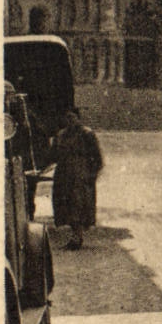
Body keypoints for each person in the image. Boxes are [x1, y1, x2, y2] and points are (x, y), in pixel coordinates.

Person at [52, 105, 104, 250]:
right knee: (66, 206)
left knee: (78, 205)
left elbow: (97, 158)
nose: (70, 121)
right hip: (63, 174)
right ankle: (75, 235)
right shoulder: (61, 135)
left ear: (79, 119)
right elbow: (53, 155)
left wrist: (91, 175)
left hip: (80, 175)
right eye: (67, 118)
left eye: (72, 118)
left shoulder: (87, 134)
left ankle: (77, 237)